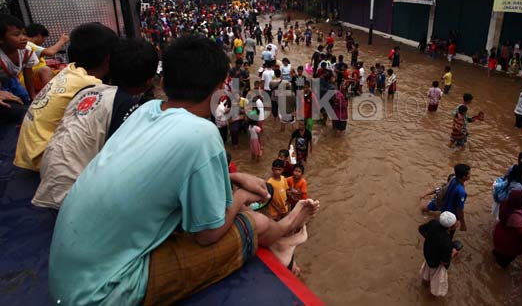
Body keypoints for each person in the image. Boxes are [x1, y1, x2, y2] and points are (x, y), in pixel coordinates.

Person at [48, 35, 321, 306]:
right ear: (219, 91)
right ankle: (286, 230)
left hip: (69, 273)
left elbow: (161, 174)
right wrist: (240, 198)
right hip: (102, 292)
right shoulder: (202, 134)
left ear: (163, 83)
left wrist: (234, 176)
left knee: (225, 201)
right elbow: (207, 235)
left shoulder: (147, 109)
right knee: (255, 222)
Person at [32, 39, 158, 210]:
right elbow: (122, 163)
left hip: (47, 181)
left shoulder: (87, 91)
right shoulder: (125, 105)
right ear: (149, 81)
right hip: (72, 198)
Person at [14, 23, 118, 171]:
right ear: (108, 58)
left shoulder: (70, 70)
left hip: (26, 151)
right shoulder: (92, 86)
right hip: (41, 158)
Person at [418, 211, 460, 297]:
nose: (457, 223)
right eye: (456, 222)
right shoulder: (447, 242)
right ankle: (430, 298)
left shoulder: (434, 223)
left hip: (428, 254)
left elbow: (420, 229)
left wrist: (430, 238)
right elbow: (444, 262)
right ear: (450, 227)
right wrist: (453, 253)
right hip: (436, 264)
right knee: (436, 287)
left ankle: (424, 284)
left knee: (426, 273)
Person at [0, 14, 38, 104]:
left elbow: (28, 75)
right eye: (17, 34)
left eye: (24, 33)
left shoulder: (27, 51)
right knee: (11, 105)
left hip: (13, 81)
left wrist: (32, 96)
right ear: (1, 39)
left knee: (25, 99)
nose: (24, 38)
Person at [22, 23, 69, 92]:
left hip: (35, 78)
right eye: (43, 39)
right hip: (28, 80)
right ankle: (51, 94)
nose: (43, 42)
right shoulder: (28, 44)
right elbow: (50, 52)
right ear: (39, 36)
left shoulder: (32, 47)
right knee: (45, 70)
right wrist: (62, 41)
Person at [427, 164, 470, 232]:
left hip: (444, 205)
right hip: (451, 213)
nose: (470, 175)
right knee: (449, 230)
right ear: (464, 177)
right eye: (469, 174)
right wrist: (463, 223)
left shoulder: (453, 179)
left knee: (427, 208)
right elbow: (460, 209)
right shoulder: (461, 192)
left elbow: (444, 189)